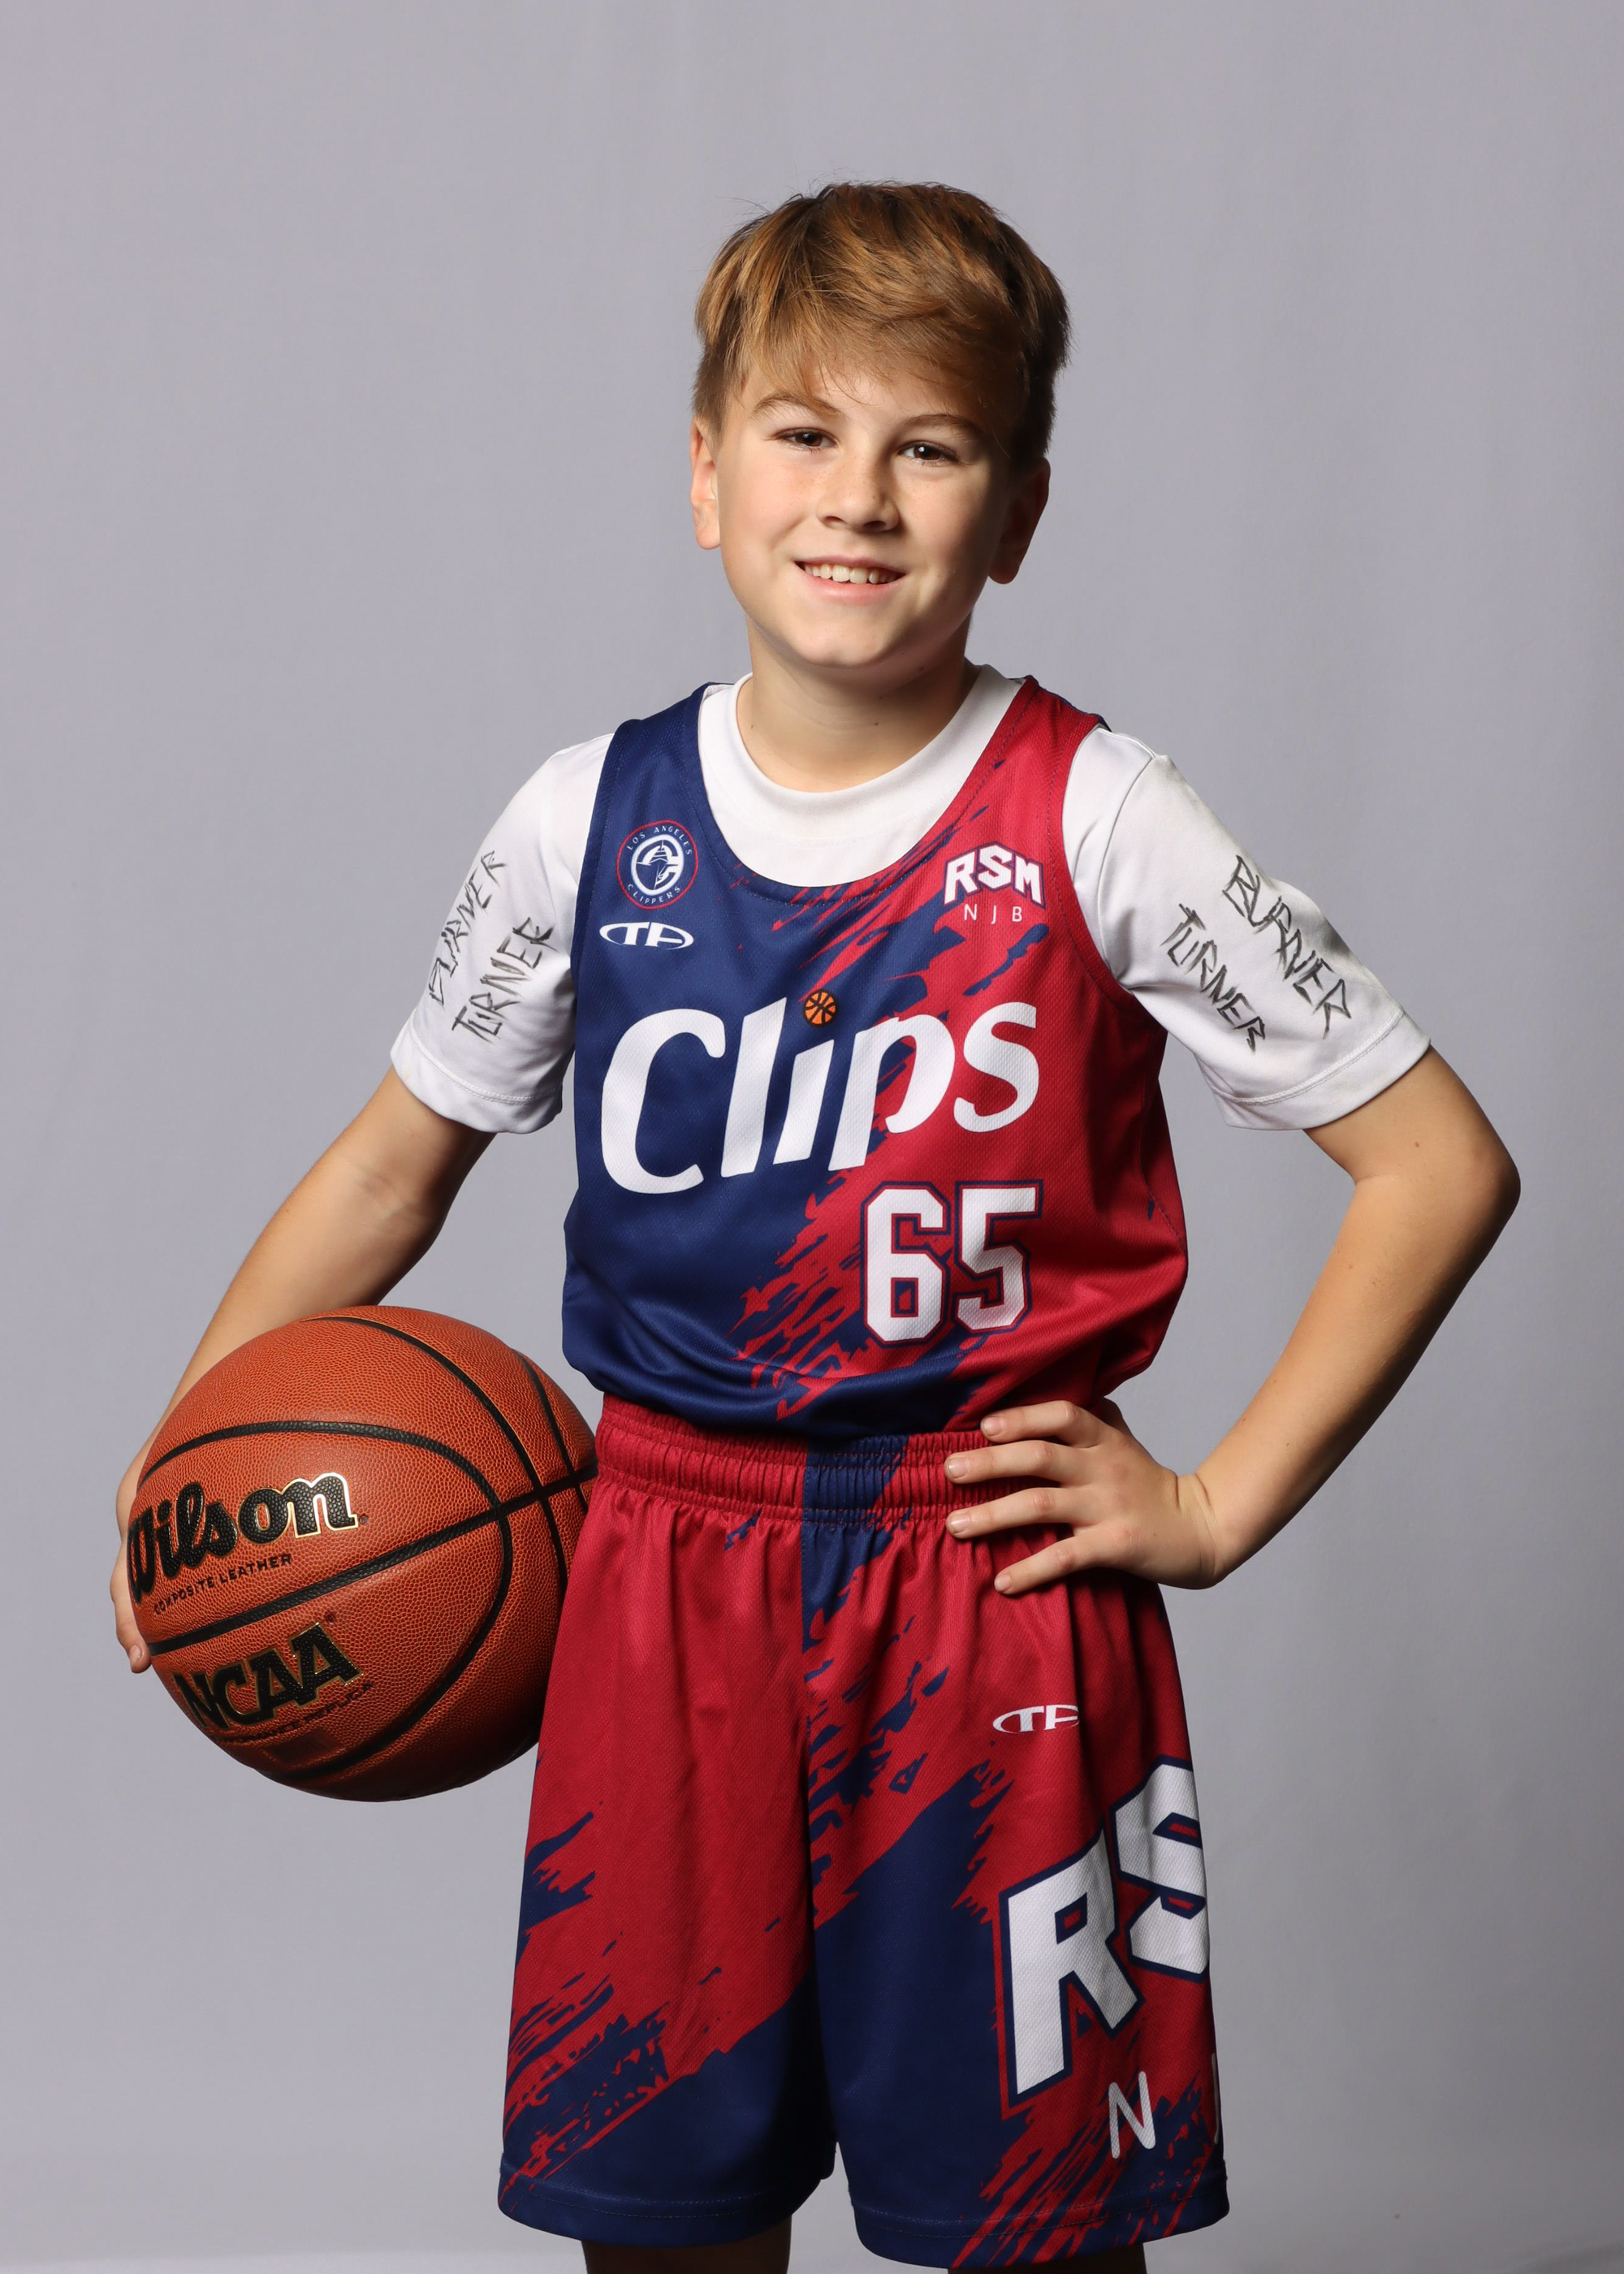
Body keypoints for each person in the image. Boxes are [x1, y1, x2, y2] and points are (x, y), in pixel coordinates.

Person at [111, 183, 1518, 2272]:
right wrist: (190, 1474)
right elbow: (394, 1168)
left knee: (1033, 2230)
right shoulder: (587, 818)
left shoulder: (1099, 813)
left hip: (986, 1578)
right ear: (705, 475)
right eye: (801, 432)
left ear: (1015, 511)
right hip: (659, 1563)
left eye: (928, 447)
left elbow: (1436, 1162)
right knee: (664, 2218)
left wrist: (1213, 1503)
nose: (856, 497)